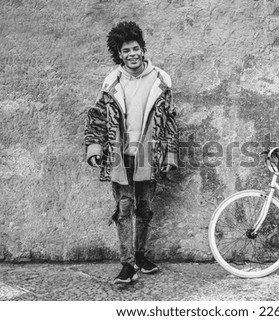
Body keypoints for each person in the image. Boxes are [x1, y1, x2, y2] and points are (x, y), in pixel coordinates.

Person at [84, 21, 179, 284]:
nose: (132, 54)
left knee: (145, 208)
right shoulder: (112, 81)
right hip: (119, 154)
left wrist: (170, 155)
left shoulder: (161, 80)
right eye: (126, 51)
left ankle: (140, 255)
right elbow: (97, 117)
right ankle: (126, 264)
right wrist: (94, 147)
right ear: (119, 54)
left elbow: (170, 120)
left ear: (142, 49)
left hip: (149, 154)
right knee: (124, 208)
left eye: (136, 48)